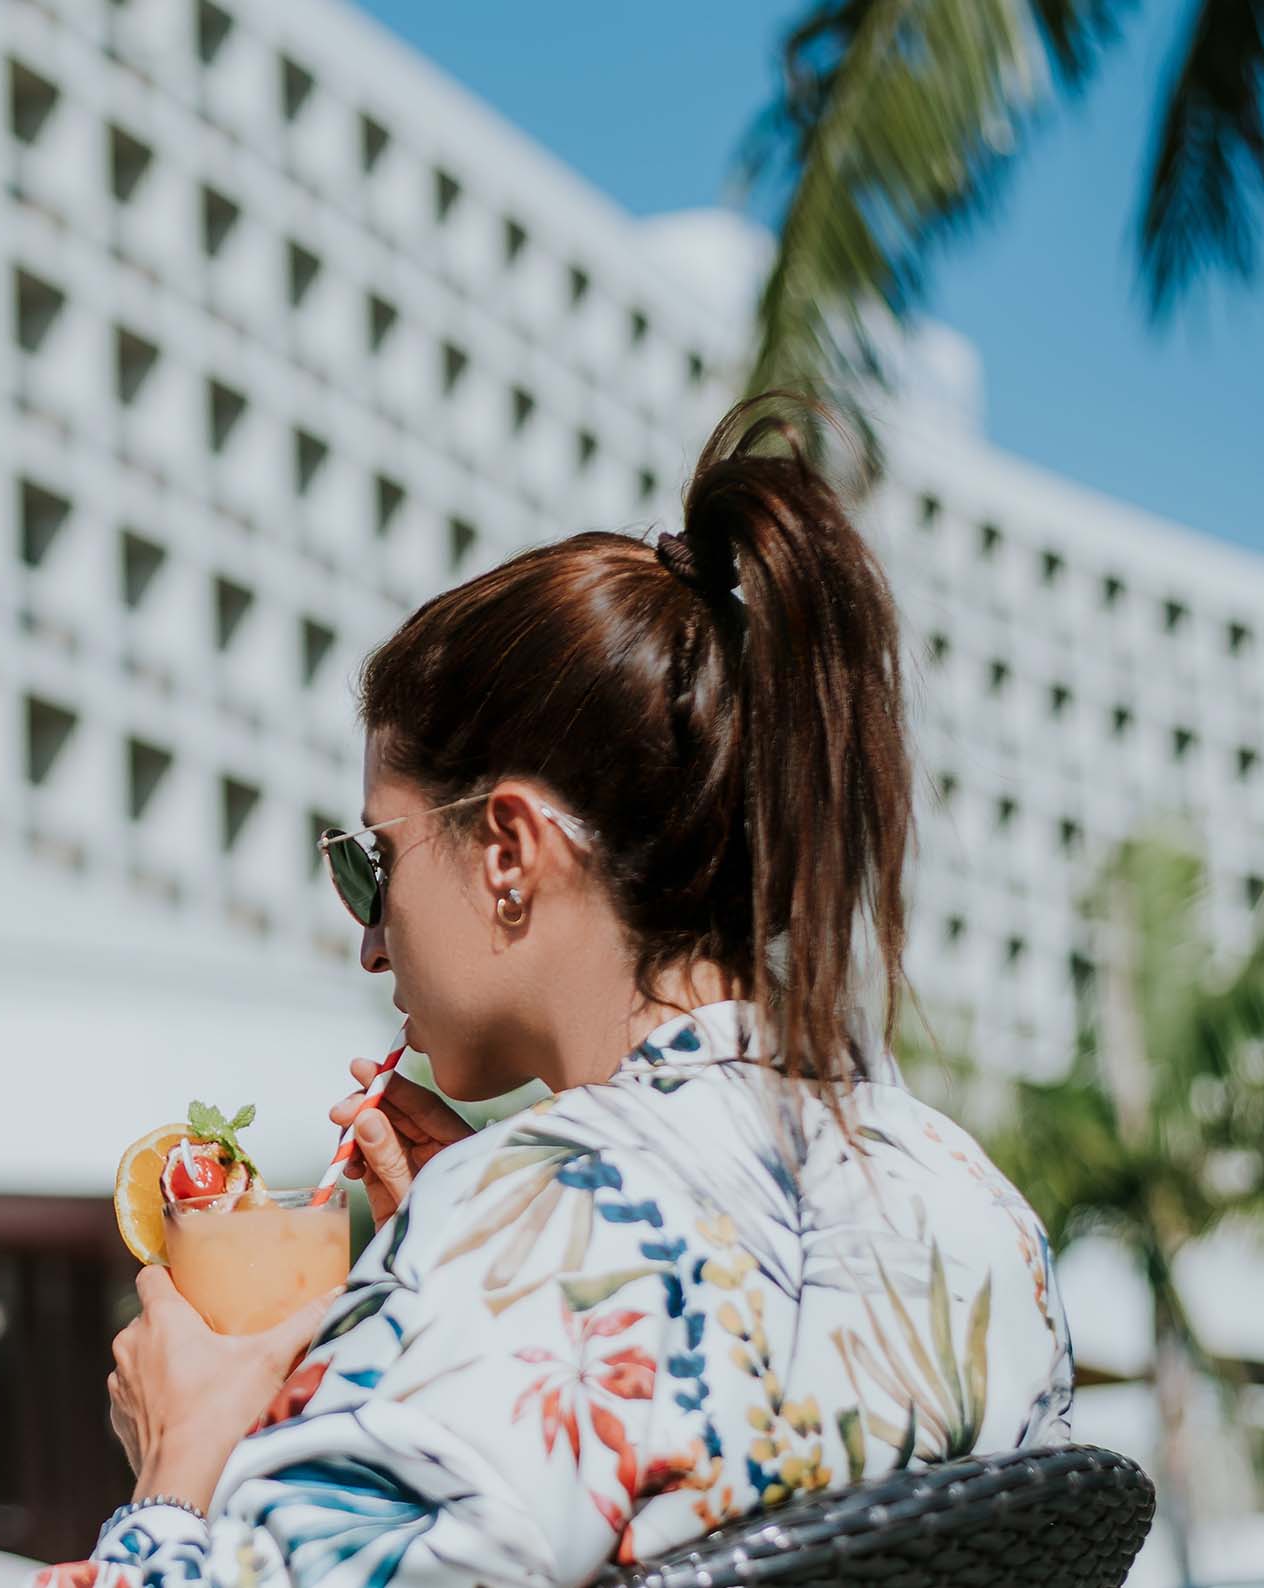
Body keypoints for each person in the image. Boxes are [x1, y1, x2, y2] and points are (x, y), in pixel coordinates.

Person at [63, 394, 1076, 1586]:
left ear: (506, 848)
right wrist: (448, 1287)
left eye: (371, 863)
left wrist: (176, 1472)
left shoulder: (522, 1228)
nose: (369, 944)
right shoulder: (974, 1204)